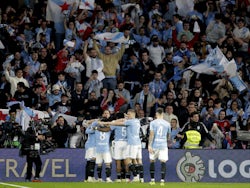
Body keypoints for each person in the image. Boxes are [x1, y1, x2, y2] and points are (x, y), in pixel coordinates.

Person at [101, 109, 143, 182]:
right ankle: (128, 178)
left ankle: (119, 178)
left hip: (119, 143)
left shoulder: (125, 123)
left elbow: (109, 128)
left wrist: (106, 124)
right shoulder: (136, 121)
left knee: (119, 162)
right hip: (127, 142)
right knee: (130, 160)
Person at [148, 108, 171, 186]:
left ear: (156, 114)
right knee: (163, 161)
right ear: (162, 114)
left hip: (155, 145)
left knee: (152, 161)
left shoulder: (153, 123)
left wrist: (149, 145)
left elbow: (151, 134)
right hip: (163, 145)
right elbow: (168, 135)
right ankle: (162, 181)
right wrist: (166, 140)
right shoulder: (167, 123)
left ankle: (152, 180)